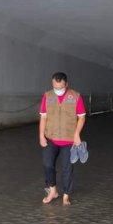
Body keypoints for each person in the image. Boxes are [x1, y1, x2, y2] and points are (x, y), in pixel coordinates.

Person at [39, 72, 86, 205]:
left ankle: (66, 195)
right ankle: (52, 190)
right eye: (55, 87)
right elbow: (43, 117)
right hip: (50, 138)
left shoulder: (75, 96)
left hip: (69, 140)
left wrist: (77, 134)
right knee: (48, 165)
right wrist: (41, 135)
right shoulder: (47, 96)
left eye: (60, 88)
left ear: (66, 85)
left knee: (67, 168)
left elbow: (82, 116)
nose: (57, 90)